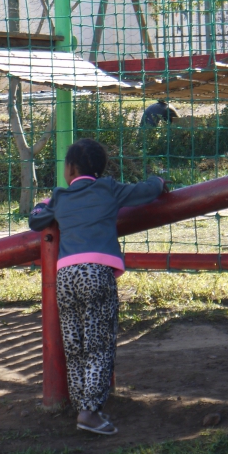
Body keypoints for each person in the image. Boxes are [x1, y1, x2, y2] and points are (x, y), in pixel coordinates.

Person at [28, 139, 165, 435]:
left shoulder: (60, 197)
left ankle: (82, 407)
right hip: (96, 272)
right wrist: (159, 180)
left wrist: (42, 204)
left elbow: (36, 221)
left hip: (65, 276)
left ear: (72, 169)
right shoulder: (108, 188)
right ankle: (91, 412)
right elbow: (147, 191)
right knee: (99, 344)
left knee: (74, 344)